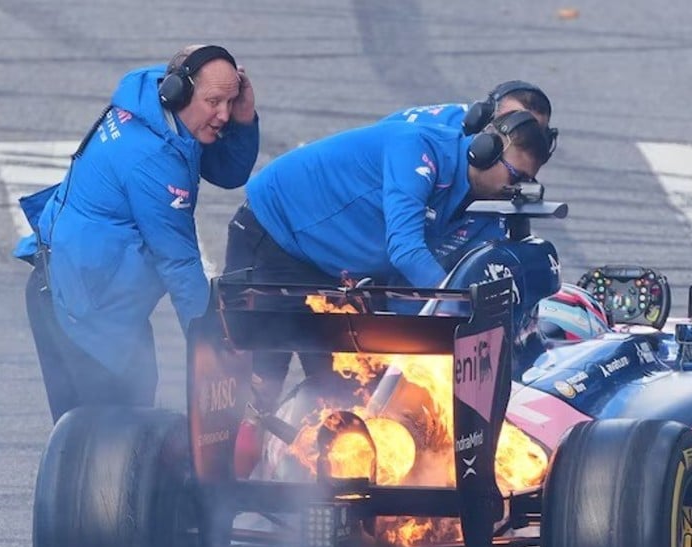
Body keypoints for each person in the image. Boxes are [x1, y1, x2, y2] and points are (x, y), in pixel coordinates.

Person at [224, 110, 553, 474]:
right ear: (484, 150)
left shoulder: (475, 197)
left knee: (341, 386)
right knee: (260, 384)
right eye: (515, 176)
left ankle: (328, 490)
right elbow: (407, 251)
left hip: (332, 262)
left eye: (526, 182)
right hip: (276, 231)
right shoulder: (417, 149)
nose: (515, 189)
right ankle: (220, 499)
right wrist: (460, 304)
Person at [15, 44, 259, 423]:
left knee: (125, 427)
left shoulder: (160, 109)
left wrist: (244, 121)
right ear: (179, 90)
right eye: (214, 101)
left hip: (91, 297)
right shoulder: (152, 161)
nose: (223, 114)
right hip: (79, 311)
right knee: (107, 441)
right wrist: (212, 354)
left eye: (231, 101)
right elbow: (179, 264)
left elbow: (228, 173)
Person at [381, 80, 558, 268]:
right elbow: (409, 242)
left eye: (532, 130)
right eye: (514, 121)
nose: (524, 134)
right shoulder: (437, 141)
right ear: (483, 119)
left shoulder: (503, 155)